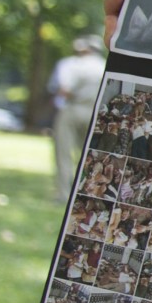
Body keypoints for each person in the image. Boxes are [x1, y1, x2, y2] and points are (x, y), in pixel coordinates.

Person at [50, 35, 107, 197]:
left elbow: (64, 90)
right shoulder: (103, 66)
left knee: (64, 152)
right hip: (94, 112)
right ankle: (85, 191)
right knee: (88, 155)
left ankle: (63, 193)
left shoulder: (71, 64)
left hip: (73, 108)